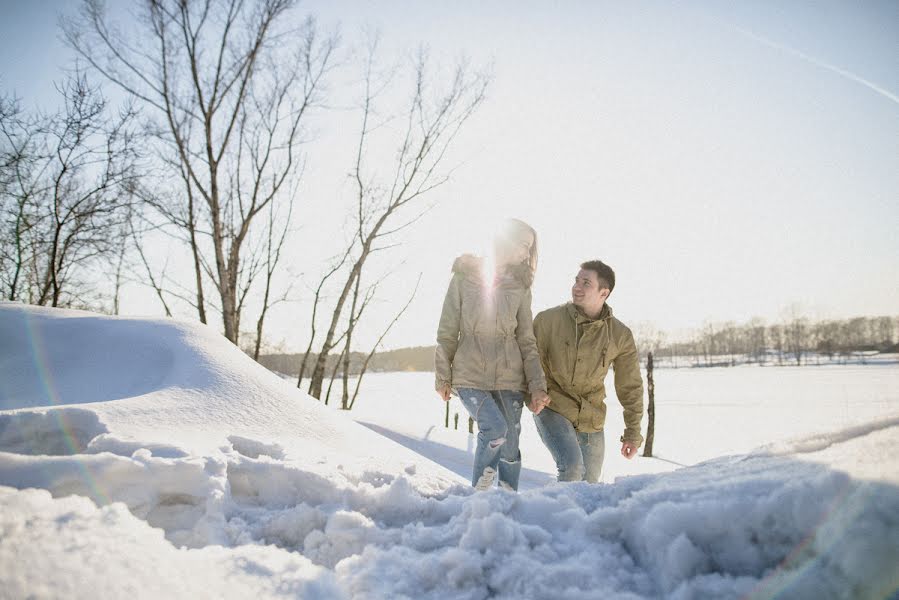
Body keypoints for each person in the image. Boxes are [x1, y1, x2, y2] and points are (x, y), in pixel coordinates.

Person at [435, 219, 551, 491]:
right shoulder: (464, 277)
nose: (525, 253)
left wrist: (536, 386)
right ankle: (479, 498)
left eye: (529, 248)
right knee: (495, 430)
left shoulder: (521, 287)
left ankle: (508, 501)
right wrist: (443, 376)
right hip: (469, 375)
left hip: (510, 379)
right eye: (523, 244)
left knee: (510, 446)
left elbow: (526, 339)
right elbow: (447, 331)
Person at [531, 260, 644, 483]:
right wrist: (533, 391)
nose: (577, 287)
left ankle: (567, 517)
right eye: (576, 281)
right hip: (552, 405)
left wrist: (632, 431)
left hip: (591, 416)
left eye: (586, 283)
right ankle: (557, 517)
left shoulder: (620, 335)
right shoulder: (547, 320)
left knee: (590, 486)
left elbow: (630, 385)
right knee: (572, 468)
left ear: (604, 292)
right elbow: (528, 360)